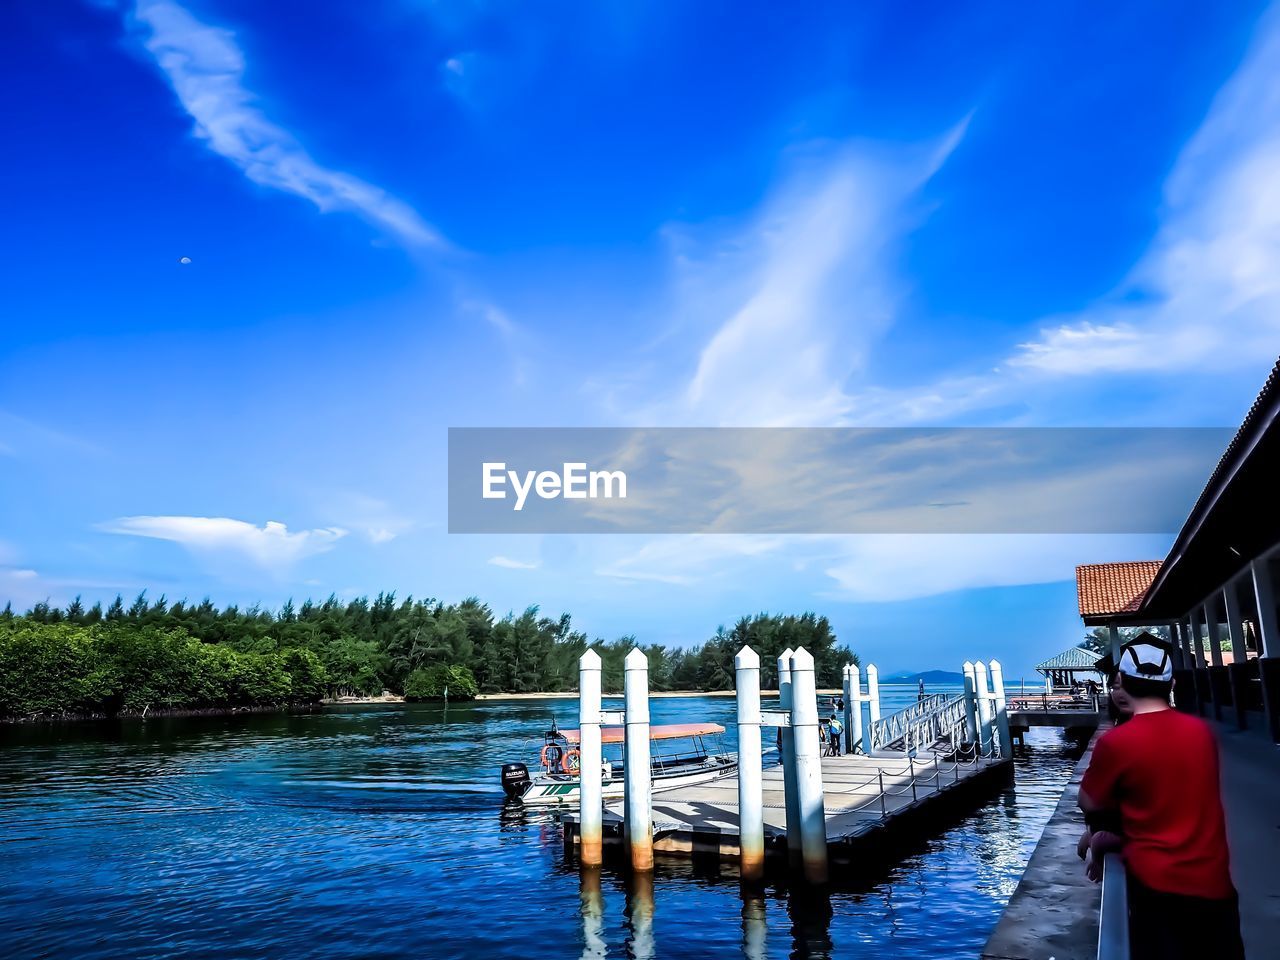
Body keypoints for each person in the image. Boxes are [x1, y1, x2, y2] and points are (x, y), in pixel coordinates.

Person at [1076, 635, 1243, 960]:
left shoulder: (1118, 743)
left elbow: (1088, 801)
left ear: (1122, 682)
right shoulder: (1202, 732)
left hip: (1158, 890)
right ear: (1172, 682)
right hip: (1215, 886)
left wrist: (1100, 835)